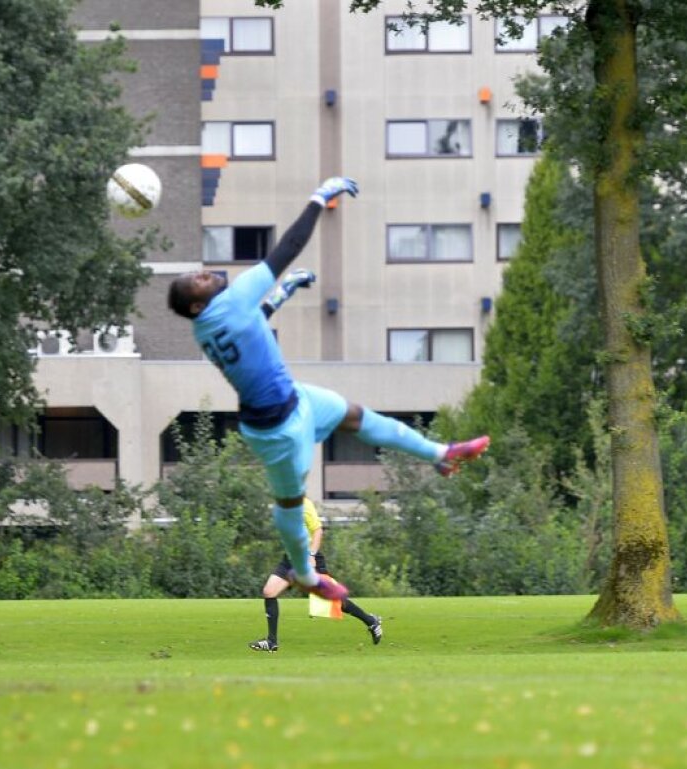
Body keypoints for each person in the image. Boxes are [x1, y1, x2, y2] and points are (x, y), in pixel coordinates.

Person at [167, 176, 490, 601]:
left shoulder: (209, 326)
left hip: (295, 399)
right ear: (197, 304)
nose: (205, 274)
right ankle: (305, 574)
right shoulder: (230, 301)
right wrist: (319, 199)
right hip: (276, 430)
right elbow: (288, 247)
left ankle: (441, 454)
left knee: (356, 416)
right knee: (290, 502)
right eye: (198, 279)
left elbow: (253, 324)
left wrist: (283, 294)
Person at [250, 498, 383, 652]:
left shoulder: (303, 504)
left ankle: (371, 621)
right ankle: (271, 641)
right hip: (290, 560)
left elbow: (318, 530)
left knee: (332, 599)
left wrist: (311, 555)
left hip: (308, 560)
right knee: (269, 591)